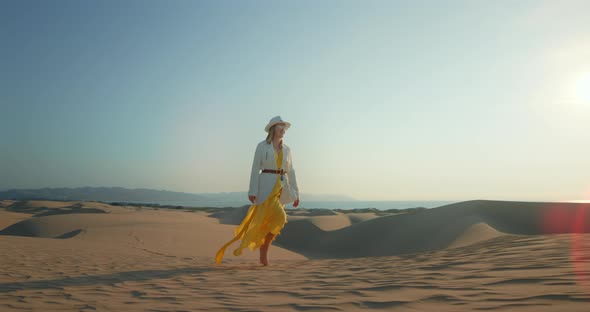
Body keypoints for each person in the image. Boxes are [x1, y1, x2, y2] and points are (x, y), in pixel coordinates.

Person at [215, 115, 300, 266]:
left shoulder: (287, 149)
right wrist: (252, 190)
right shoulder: (262, 146)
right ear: (273, 129)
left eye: (284, 128)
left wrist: (296, 193)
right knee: (277, 217)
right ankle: (264, 250)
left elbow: (291, 170)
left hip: (282, 187)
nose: (283, 130)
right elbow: (255, 168)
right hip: (265, 185)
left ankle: (264, 247)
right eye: (280, 127)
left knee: (275, 220)